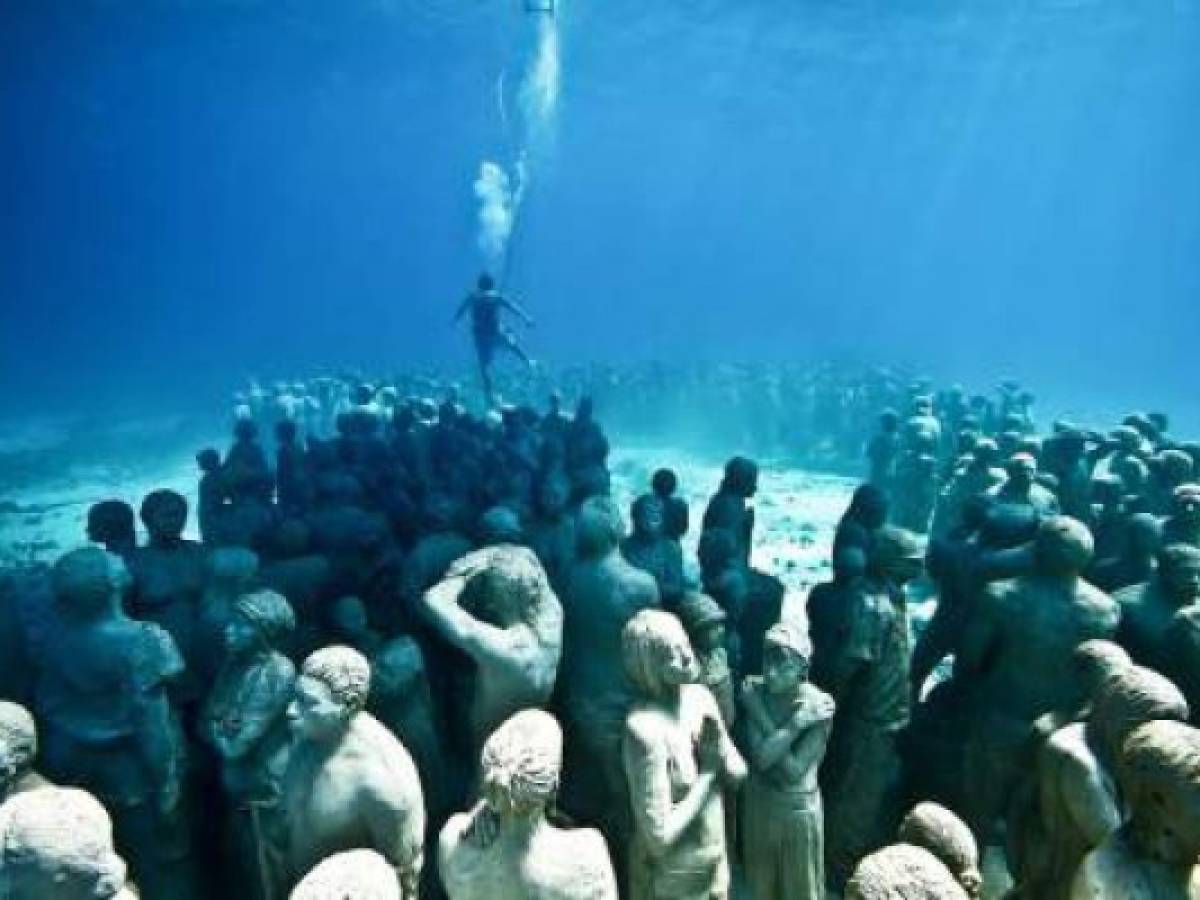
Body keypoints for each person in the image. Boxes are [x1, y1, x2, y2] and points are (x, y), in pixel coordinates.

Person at [453, 273, 535, 404]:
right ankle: (527, 360)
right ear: (491, 285)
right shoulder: (494, 296)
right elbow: (513, 307)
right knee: (511, 345)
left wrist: (454, 321)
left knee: (484, 366)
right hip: (493, 331)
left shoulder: (473, 296)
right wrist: (526, 318)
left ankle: (489, 393)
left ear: (479, 285)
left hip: (481, 334)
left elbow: (461, 310)